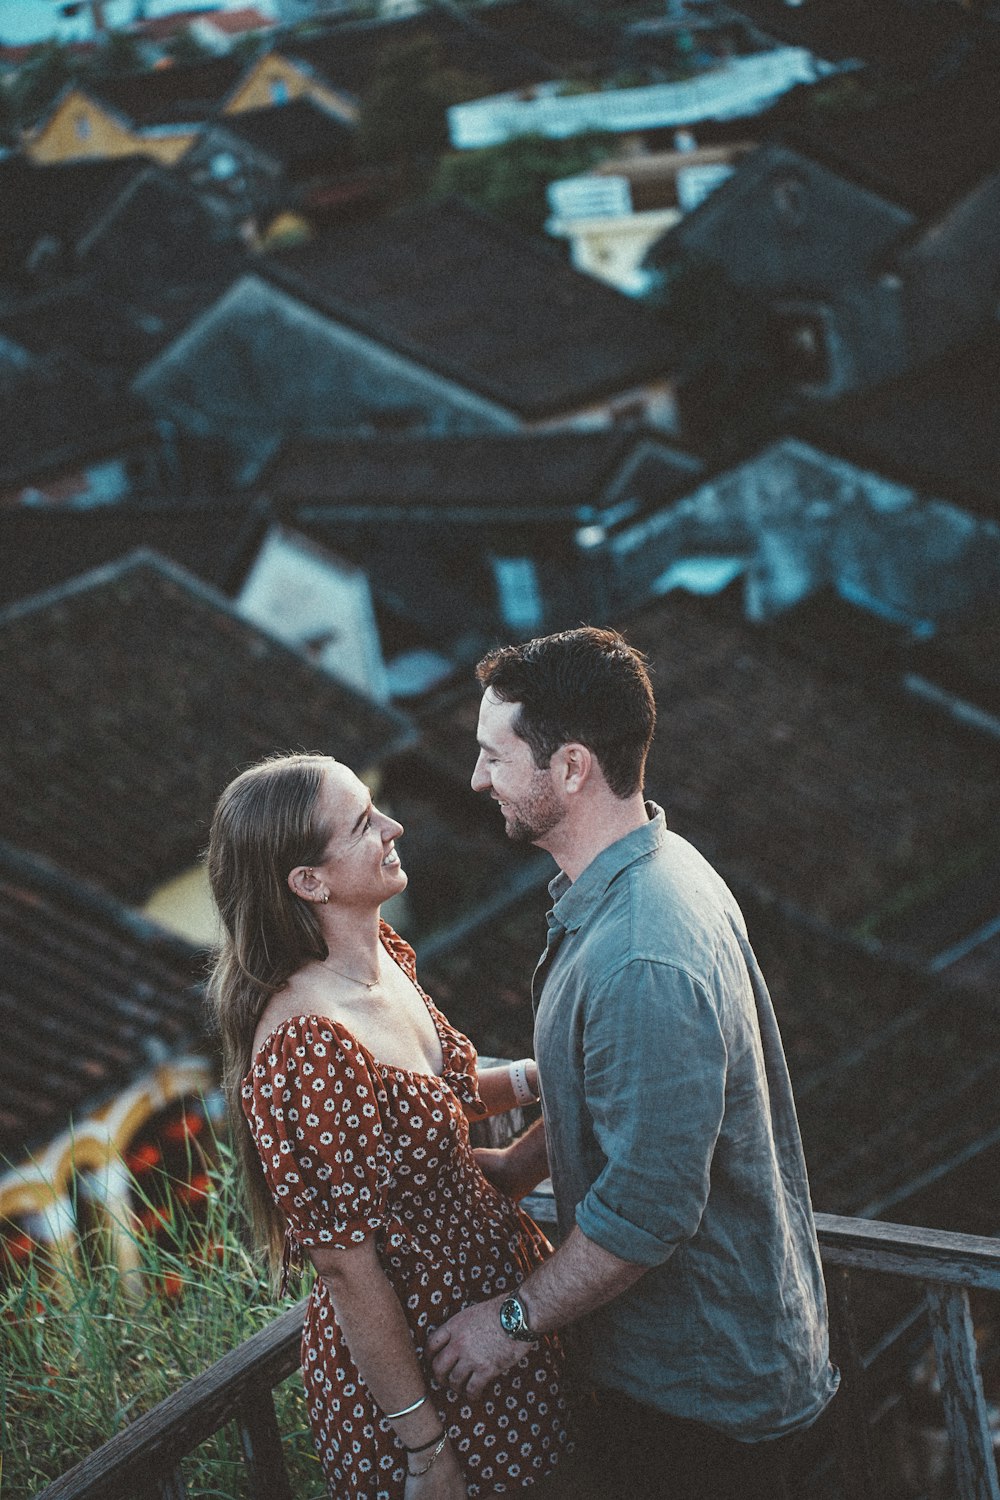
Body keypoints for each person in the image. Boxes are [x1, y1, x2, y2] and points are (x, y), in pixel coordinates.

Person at [427, 627, 839, 1500]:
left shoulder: (639, 954)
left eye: (494, 757)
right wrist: (517, 1162)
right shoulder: (652, 867)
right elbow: (614, 1086)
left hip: (704, 1403)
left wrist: (507, 1323)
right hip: (690, 1376)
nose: (475, 780)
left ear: (570, 768)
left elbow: (647, 1210)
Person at [206, 752, 572, 1500]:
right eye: (365, 823)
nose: (395, 826)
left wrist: (557, 1071)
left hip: (484, 1320)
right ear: (309, 882)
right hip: (425, 1362)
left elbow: (447, 1097)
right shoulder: (307, 1044)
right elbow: (347, 1265)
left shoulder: (382, 960)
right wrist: (423, 1447)